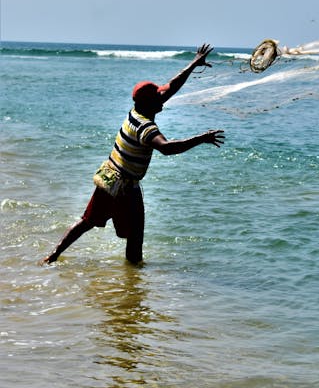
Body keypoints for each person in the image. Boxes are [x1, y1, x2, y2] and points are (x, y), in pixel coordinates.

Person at [42, 43, 224, 265]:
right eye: (158, 96)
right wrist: (201, 139)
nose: (163, 97)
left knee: (87, 221)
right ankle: (134, 286)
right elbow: (166, 148)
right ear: (150, 103)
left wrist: (194, 64)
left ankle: (53, 256)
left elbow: (171, 87)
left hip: (109, 177)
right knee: (135, 238)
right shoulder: (145, 127)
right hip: (124, 186)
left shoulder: (136, 112)